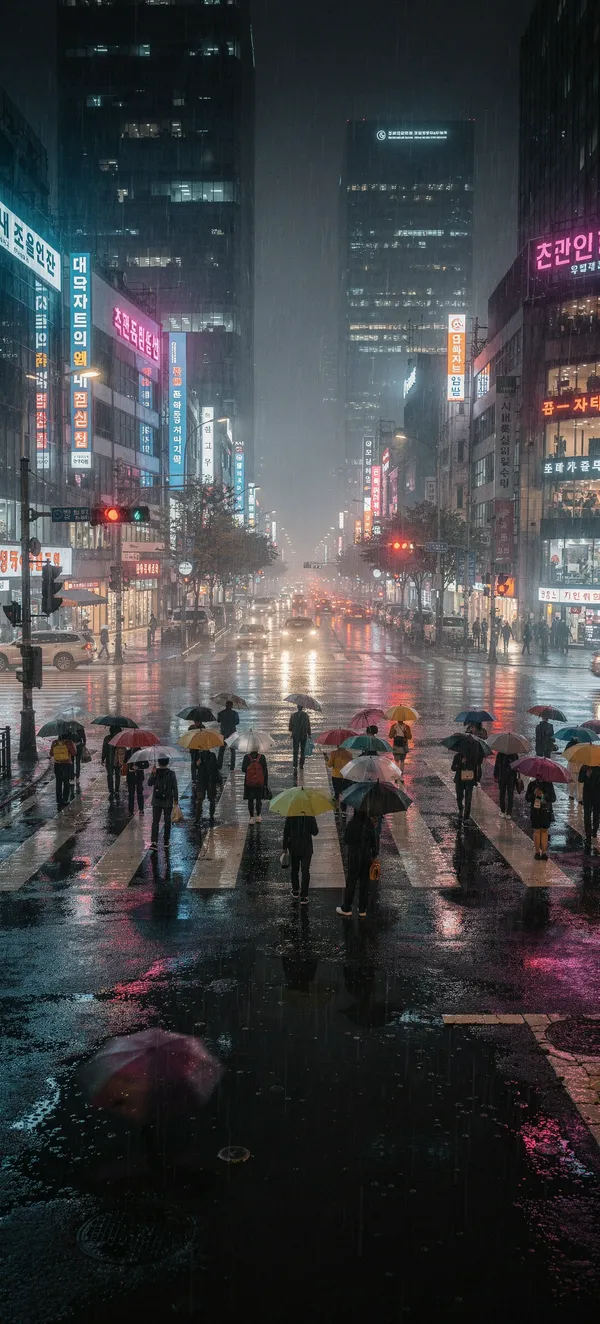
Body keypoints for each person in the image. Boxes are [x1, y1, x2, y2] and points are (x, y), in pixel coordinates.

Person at [336, 810, 378, 918]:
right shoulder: (369, 824)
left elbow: (347, 840)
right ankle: (362, 909)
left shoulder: (352, 823)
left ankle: (347, 908)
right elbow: (374, 842)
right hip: (366, 857)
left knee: (351, 882)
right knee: (364, 883)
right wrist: (374, 855)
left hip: (354, 856)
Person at [283, 813, 319, 903]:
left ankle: (295, 890)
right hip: (306, 848)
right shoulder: (310, 815)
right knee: (305, 871)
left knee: (294, 869)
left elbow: (286, 831)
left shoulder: (291, 814)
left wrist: (285, 846)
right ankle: (304, 896)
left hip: (294, 847)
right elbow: (315, 832)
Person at [149, 756, 179, 849]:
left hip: (156, 801)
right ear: (167, 762)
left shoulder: (155, 772)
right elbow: (175, 787)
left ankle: (154, 842)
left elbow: (149, 783)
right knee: (167, 821)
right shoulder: (171, 773)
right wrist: (176, 799)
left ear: (158, 762)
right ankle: (166, 841)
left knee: (155, 822)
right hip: (168, 801)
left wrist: (153, 774)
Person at [526, 776, 555, 859]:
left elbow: (553, 798)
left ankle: (544, 853)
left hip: (546, 811)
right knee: (537, 831)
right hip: (535, 811)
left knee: (544, 831)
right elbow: (527, 798)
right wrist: (534, 794)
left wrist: (544, 795)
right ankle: (537, 852)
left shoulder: (549, 785)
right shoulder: (532, 784)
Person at [195, 748, 222, 824]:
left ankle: (211, 816)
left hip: (210, 781)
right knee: (200, 800)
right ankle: (198, 817)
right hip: (202, 781)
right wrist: (197, 764)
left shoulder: (212, 755)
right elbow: (194, 767)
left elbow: (217, 766)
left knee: (211, 799)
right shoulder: (199, 755)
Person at [451, 747, 478, 823]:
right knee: (459, 797)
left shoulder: (473, 757)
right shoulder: (457, 756)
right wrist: (461, 763)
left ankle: (466, 816)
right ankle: (460, 809)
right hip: (459, 780)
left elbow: (475, 768)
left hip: (469, 781)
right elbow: (453, 768)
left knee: (468, 799)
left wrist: (476, 780)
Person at [242, 748, 268, 823]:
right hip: (259, 783)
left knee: (250, 800)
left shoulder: (246, 757)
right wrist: (265, 783)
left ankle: (251, 817)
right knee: (258, 800)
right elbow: (265, 770)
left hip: (249, 783)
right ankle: (258, 816)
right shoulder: (262, 757)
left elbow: (243, 769)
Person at [50, 734, 76, 807]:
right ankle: (65, 799)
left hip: (57, 764)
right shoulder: (69, 743)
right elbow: (74, 753)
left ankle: (59, 799)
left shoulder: (54, 742)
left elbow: (51, 754)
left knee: (58, 782)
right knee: (66, 782)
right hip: (66, 764)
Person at [494, 751, 521, 818]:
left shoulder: (501, 753)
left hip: (502, 776)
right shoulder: (514, 754)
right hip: (511, 777)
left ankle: (503, 811)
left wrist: (496, 775)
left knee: (502, 794)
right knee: (510, 794)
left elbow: (497, 765)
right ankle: (509, 812)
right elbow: (517, 766)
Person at [579, 764, 600, 845]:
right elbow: (580, 780)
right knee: (587, 815)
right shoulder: (584, 767)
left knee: (596, 814)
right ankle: (588, 834)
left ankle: (594, 831)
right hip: (587, 795)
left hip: (597, 795)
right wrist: (586, 775)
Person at [217, 700, 239, 770]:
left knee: (221, 750)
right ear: (232, 706)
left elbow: (218, 720)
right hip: (232, 733)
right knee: (233, 751)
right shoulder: (235, 713)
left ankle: (219, 765)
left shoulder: (221, 713)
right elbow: (237, 722)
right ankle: (232, 766)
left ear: (225, 705)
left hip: (223, 733)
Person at [289, 704, 311, 771]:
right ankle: (301, 764)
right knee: (303, 750)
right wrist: (309, 734)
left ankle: (295, 765)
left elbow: (290, 727)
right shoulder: (306, 715)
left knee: (295, 750)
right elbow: (308, 725)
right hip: (303, 734)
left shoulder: (293, 715)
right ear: (302, 707)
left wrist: (293, 730)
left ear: (297, 707)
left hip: (296, 735)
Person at [101, 725, 122, 796]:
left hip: (109, 760)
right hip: (118, 760)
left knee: (110, 775)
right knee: (117, 775)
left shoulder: (107, 738)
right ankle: (117, 789)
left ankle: (111, 790)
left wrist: (103, 758)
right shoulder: (120, 738)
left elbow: (104, 749)